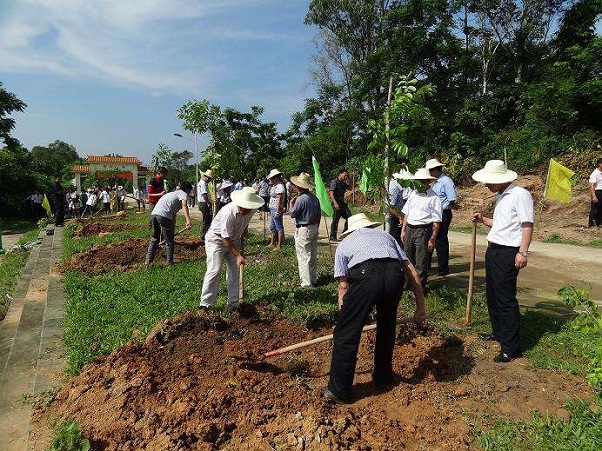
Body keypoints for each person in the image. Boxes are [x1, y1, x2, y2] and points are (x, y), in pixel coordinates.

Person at [324, 213, 427, 404]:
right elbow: (411, 270)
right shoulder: (387, 237)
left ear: (350, 231)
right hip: (394, 275)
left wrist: (344, 320)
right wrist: (420, 307)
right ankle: (383, 376)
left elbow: (344, 286)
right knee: (386, 327)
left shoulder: (344, 245)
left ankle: (339, 392)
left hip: (366, 276)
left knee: (346, 336)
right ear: (370, 227)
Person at [471, 160, 534, 363]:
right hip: (494, 250)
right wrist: (483, 220)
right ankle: (498, 333)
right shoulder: (501, 196)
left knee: (505, 299)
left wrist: (522, 252)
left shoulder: (520, 195)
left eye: (489, 181)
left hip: (508, 252)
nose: (486, 185)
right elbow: (501, 224)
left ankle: (511, 348)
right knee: (493, 295)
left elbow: (527, 226)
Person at [199, 187, 265, 310]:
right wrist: (238, 255)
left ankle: (233, 304)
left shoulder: (251, 210)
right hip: (216, 240)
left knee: (235, 271)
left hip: (234, 240)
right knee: (214, 270)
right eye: (245, 207)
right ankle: (205, 305)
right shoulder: (228, 213)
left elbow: (244, 227)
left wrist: (241, 248)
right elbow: (225, 239)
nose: (247, 210)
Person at [400, 168, 442, 292]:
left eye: (422, 181)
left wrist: (432, 238)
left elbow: (437, 220)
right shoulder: (413, 193)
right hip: (409, 229)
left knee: (421, 261)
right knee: (407, 259)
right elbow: (407, 213)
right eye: (418, 181)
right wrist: (403, 230)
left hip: (423, 230)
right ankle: (406, 286)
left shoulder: (434, 198)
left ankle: (419, 289)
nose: (420, 183)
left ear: (428, 181)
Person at [144, 181, 193, 266]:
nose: (189, 193)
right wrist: (188, 221)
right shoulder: (183, 194)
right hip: (164, 216)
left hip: (154, 215)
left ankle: (148, 262)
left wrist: (172, 228)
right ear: (188, 190)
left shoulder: (171, 194)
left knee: (154, 238)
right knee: (169, 242)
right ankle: (169, 263)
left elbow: (173, 213)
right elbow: (185, 205)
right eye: (190, 191)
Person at [426, 158, 458, 276]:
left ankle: (443, 268)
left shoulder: (446, 181)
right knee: (430, 238)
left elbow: (451, 199)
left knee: (440, 240)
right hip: (433, 213)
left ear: (435, 169)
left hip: (443, 213)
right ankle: (427, 264)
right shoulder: (435, 181)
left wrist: (453, 206)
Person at [289, 172, 321, 288]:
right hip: (314, 227)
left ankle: (306, 284)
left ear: (299, 186)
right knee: (312, 255)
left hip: (304, 228)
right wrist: (317, 226)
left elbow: (292, 214)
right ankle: (313, 279)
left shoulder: (301, 199)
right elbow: (319, 215)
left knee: (303, 257)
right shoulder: (315, 198)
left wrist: (291, 203)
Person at [387, 169, 413, 244]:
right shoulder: (395, 187)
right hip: (396, 218)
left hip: (401, 216)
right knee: (395, 240)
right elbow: (391, 208)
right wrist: (400, 218)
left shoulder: (402, 187)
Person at [329, 169, 351, 241]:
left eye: (346, 176)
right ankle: (332, 236)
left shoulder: (343, 183)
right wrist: (335, 203)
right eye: (345, 175)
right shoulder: (335, 182)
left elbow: (350, 188)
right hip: (337, 203)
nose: (346, 177)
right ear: (340, 174)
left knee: (350, 218)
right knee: (335, 220)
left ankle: (344, 234)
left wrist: (349, 179)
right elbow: (331, 193)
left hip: (343, 204)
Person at [266, 169, 286, 249]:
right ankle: (272, 243)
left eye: (271, 178)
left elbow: (279, 199)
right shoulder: (274, 186)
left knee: (279, 227)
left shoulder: (280, 186)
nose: (270, 180)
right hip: (272, 208)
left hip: (276, 209)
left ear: (275, 178)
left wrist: (278, 211)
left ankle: (279, 245)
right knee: (272, 226)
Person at [197, 169, 213, 243]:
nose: (209, 181)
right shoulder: (203, 183)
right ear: (206, 177)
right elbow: (204, 195)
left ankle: (205, 235)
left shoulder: (202, 183)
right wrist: (208, 202)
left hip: (204, 203)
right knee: (206, 220)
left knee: (208, 219)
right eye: (209, 179)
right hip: (204, 203)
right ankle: (203, 236)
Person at [588, 158, 602, 227]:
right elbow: (592, 186)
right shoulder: (595, 173)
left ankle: (599, 222)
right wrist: (594, 196)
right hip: (597, 192)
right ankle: (592, 223)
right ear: (600, 164)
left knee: (600, 208)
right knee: (595, 208)